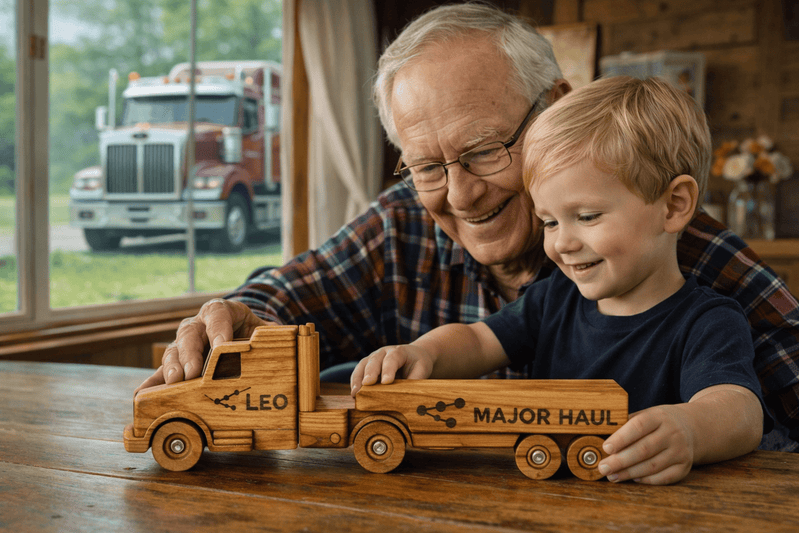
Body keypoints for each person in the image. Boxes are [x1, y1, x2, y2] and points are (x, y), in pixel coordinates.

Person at [136, 3, 799, 452]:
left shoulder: (690, 254)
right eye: (427, 166)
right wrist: (234, 318)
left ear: (554, 110)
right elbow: (284, 299)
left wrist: (696, 430)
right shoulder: (402, 226)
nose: (461, 194)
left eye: (484, 150)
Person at [349, 75, 769, 485]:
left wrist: (691, 429)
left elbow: (740, 409)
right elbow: (478, 341)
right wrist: (424, 353)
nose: (562, 244)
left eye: (586, 216)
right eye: (549, 222)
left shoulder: (708, 321)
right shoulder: (554, 299)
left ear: (674, 206)